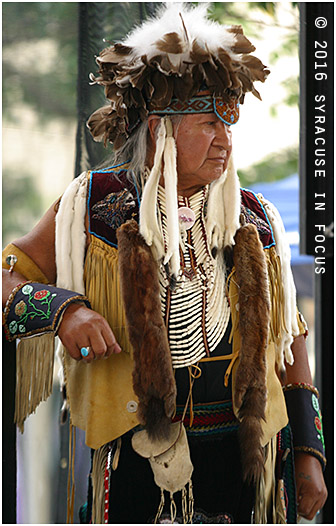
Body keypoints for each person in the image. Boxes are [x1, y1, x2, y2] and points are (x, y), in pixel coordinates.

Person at [2, 4, 327, 523]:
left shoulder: (255, 217)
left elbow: (290, 337)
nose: (224, 140)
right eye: (208, 124)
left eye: (229, 124)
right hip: (137, 463)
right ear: (160, 131)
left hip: (246, 464)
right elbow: (5, 278)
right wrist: (64, 311)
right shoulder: (93, 206)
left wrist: (310, 452)